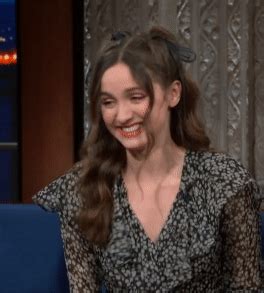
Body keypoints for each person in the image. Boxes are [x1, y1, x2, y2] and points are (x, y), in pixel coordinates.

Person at [33, 26, 263, 292]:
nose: (121, 116)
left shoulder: (223, 182)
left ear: (173, 94)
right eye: (108, 102)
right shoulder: (84, 188)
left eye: (136, 97)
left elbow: (247, 287)